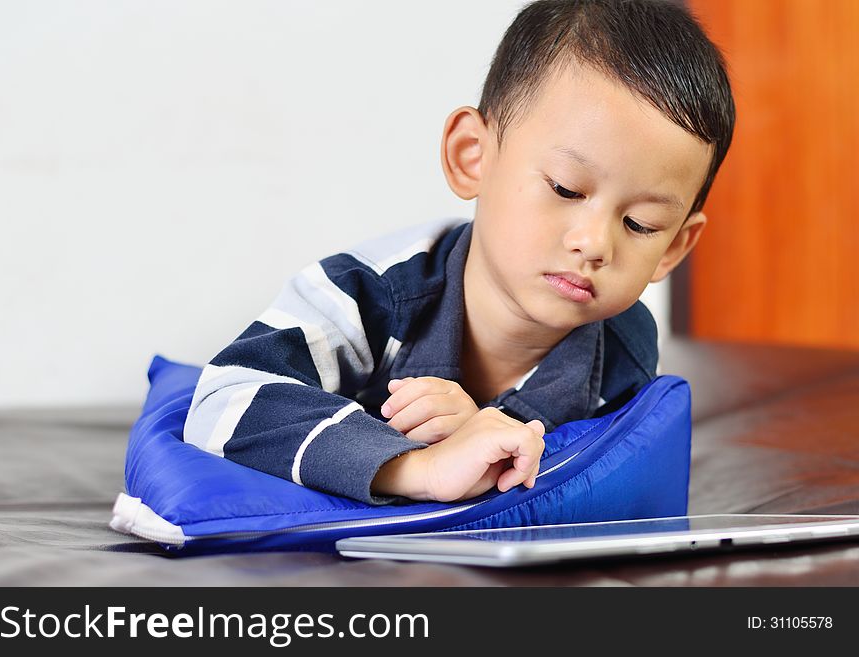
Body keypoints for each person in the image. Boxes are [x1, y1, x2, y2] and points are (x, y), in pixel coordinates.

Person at [183, 0, 735, 505]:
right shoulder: (369, 292)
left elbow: (592, 481)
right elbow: (222, 400)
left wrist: (485, 435)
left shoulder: (624, 349)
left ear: (674, 246)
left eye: (641, 224)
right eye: (566, 189)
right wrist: (416, 467)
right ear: (472, 157)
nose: (593, 244)